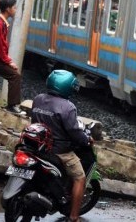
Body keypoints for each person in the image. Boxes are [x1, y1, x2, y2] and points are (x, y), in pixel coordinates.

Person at [31, 70, 91, 222]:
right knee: (80, 178)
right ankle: (74, 217)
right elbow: (74, 131)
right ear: (68, 87)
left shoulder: (38, 99)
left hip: (38, 147)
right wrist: (86, 140)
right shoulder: (68, 107)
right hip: (60, 152)